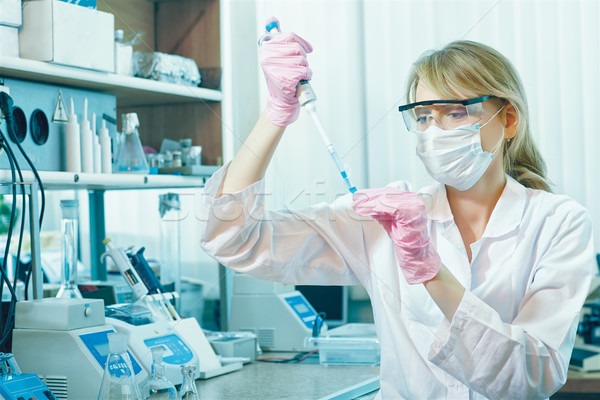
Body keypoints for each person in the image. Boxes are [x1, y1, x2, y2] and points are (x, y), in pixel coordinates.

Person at [198, 20, 596, 399]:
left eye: (454, 112)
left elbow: (534, 377)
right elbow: (236, 240)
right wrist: (275, 114)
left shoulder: (559, 222)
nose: (434, 132)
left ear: (508, 119)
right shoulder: (388, 218)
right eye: (423, 116)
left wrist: (428, 269)